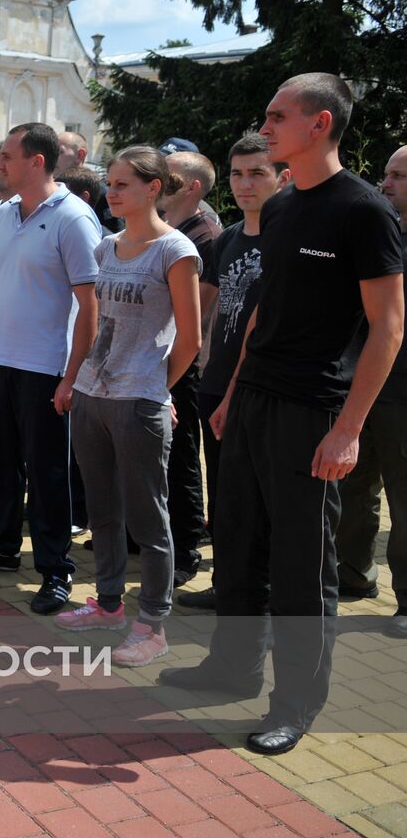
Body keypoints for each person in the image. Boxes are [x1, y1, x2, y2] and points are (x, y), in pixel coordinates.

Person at [159, 73, 404, 756]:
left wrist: (349, 428)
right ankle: (229, 667)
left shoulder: (364, 211)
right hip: (254, 399)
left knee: (302, 566)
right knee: (239, 540)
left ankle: (294, 703)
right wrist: (233, 389)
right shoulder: (287, 204)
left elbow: (387, 327)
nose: (265, 126)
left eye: (277, 116)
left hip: (314, 410)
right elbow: (265, 308)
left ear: (319, 123)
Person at [57, 147, 202, 668]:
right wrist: (72, 379)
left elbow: (191, 337)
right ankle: (109, 605)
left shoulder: (175, 250)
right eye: (111, 183)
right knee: (103, 512)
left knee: (150, 518)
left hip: (138, 401)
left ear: (154, 188)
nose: (111, 193)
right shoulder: (106, 246)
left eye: (122, 184)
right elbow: (88, 321)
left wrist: (157, 389)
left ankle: (152, 626)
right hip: (93, 395)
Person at [0, 123, 102, 614]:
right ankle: (0, 549)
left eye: (8, 158)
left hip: (45, 368)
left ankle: (55, 571)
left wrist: (72, 374)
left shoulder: (74, 218)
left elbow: (90, 305)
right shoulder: (0, 215)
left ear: (37, 161)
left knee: (46, 474)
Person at [181, 133, 287, 610]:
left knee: (261, 502)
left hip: (262, 389)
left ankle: (259, 593)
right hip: (215, 383)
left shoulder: (289, 238)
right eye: (237, 174)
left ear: (283, 177)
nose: (245, 184)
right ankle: (228, 584)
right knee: (224, 497)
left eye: (257, 173)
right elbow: (201, 313)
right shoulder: (227, 239)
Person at [336, 145, 407, 636]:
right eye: (387, 173)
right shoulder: (384, 230)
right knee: (355, 487)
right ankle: (354, 574)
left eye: (399, 176)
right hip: (365, 385)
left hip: (403, 394)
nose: (386, 183)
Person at [149, 150, 223, 584]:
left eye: (169, 174)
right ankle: (150, 536)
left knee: (180, 455)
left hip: (185, 362)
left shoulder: (205, 235)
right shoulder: (171, 228)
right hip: (157, 357)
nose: (158, 178)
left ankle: (186, 545)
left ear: (193, 187)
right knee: (158, 453)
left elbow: (197, 310)